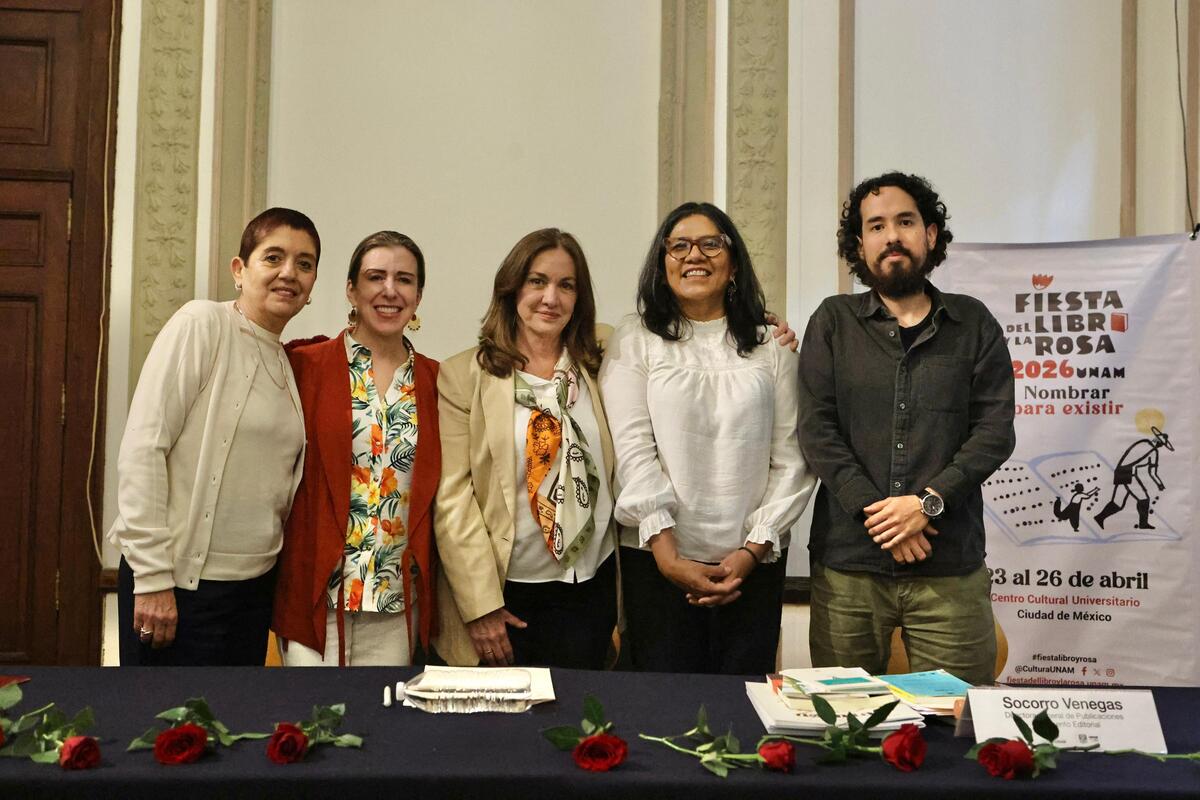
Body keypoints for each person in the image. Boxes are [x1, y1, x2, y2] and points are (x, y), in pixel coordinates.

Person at [797, 172, 1016, 686]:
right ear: (860, 245)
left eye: (905, 221)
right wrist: (884, 518)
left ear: (931, 235)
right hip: (849, 569)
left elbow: (994, 432)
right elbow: (816, 430)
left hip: (950, 572)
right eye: (876, 226)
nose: (891, 235)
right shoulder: (832, 322)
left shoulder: (974, 323)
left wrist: (926, 504)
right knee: (844, 729)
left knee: (960, 730)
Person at [600, 201, 814, 675]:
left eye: (710, 243)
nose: (694, 254)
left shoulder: (770, 346)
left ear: (733, 261)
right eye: (679, 245)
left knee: (742, 712)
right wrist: (668, 555)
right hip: (657, 562)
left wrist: (752, 550)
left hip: (751, 567)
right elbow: (633, 448)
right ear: (662, 264)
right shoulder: (636, 339)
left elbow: (793, 458)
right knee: (663, 714)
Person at [109, 207, 320, 665]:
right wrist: (152, 578)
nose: (289, 273)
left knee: (235, 731)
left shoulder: (286, 360)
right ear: (239, 270)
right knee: (168, 732)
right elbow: (144, 449)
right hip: (178, 590)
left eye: (304, 264)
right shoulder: (203, 324)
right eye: (274, 257)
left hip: (250, 593)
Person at [434, 228, 618, 669]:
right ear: (512, 287)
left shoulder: (604, 353)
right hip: (508, 596)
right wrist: (480, 605)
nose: (550, 298)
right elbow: (453, 498)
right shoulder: (464, 376)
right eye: (537, 281)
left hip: (592, 587)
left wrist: (760, 327)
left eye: (566, 285)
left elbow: (681, 338)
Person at [272, 231, 440, 666]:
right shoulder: (303, 366)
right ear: (351, 289)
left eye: (404, 279)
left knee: (383, 730)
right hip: (317, 598)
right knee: (312, 727)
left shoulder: (438, 383)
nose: (390, 290)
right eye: (375, 277)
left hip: (397, 604)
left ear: (418, 296)